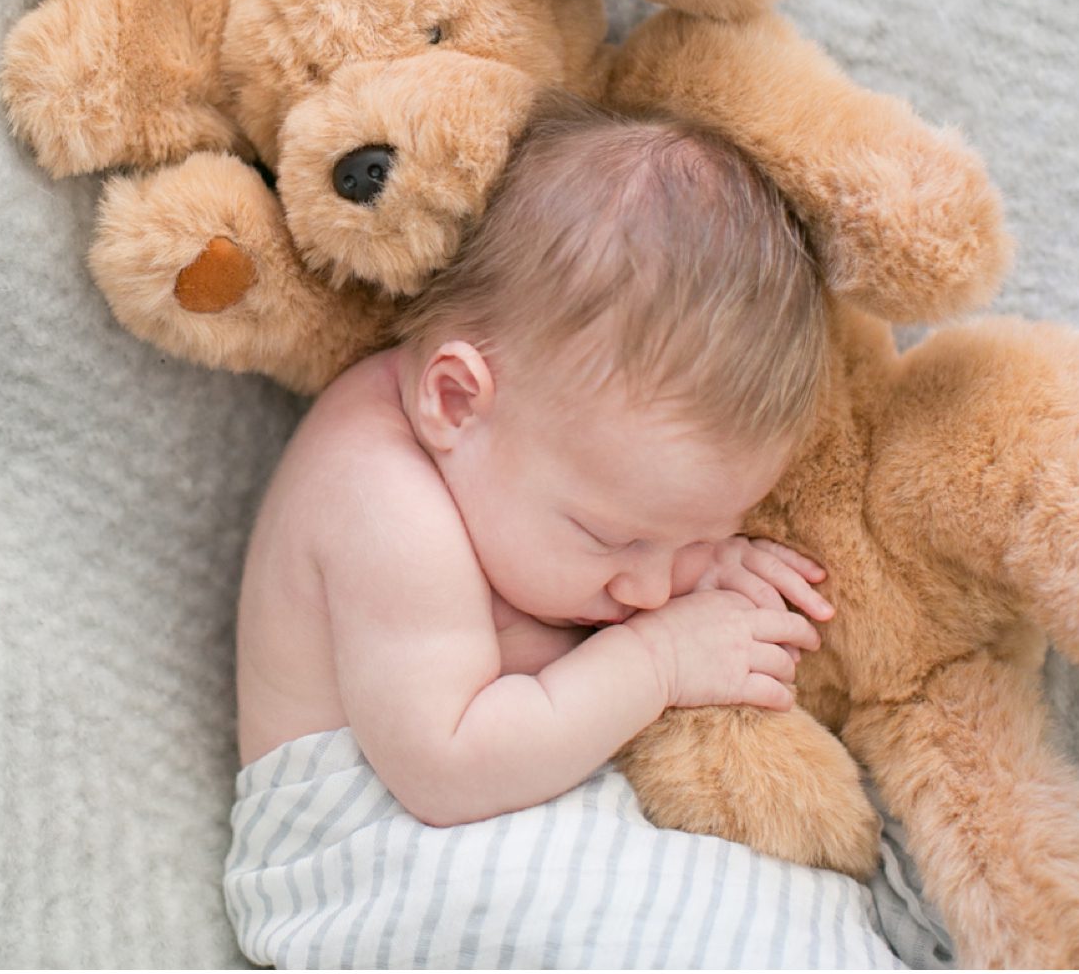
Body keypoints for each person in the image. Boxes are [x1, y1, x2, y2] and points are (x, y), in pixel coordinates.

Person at [224, 95, 921, 969]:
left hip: (509, 814)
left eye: (700, 533)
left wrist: (704, 560)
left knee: (758, 918)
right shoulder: (380, 501)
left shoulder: (520, 457)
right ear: (456, 400)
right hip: (378, 859)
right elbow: (450, 766)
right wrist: (661, 658)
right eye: (617, 539)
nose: (652, 587)